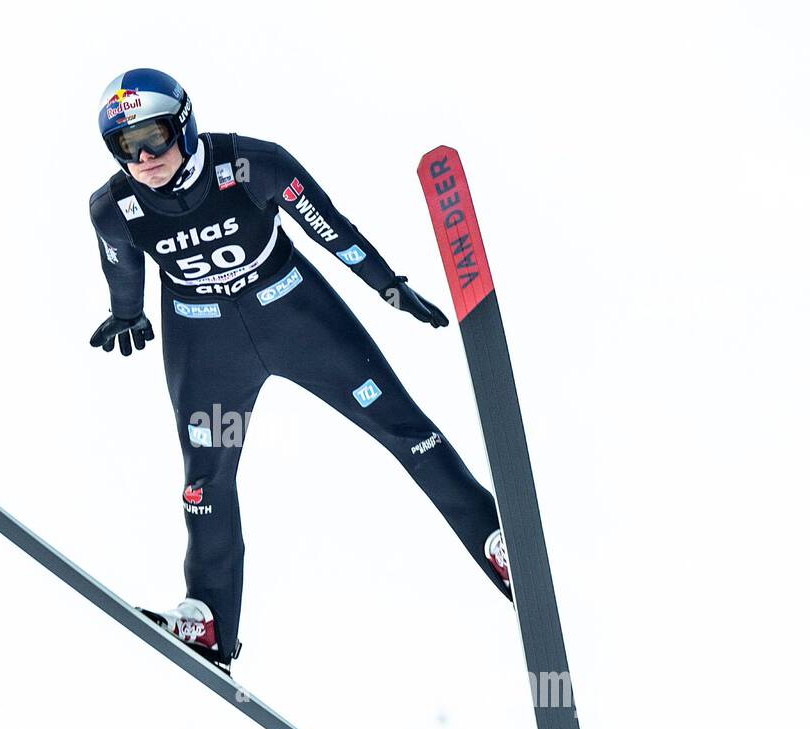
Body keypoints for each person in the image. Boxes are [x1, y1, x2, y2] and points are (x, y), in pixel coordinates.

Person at [89, 68, 510, 674]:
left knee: (401, 426)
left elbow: (327, 225)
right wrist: (124, 313)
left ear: (184, 122)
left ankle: (500, 544)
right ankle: (209, 621)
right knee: (207, 481)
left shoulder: (252, 164)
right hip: (209, 348)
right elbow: (122, 267)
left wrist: (386, 284)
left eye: (155, 136)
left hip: (294, 316)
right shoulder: (115, 207)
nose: (146, 157)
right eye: (128, 146)